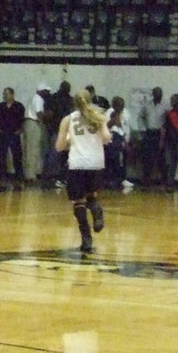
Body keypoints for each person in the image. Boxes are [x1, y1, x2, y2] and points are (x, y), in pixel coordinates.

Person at [55, 88, 112, 255]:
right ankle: (96, 211)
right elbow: (107, 138)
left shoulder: (68, 120)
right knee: (91, 195)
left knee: (78, 202)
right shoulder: (98, 117)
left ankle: (86, 239)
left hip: (77, 163)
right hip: (96, 163)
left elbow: (59, 147)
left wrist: (68, 140)